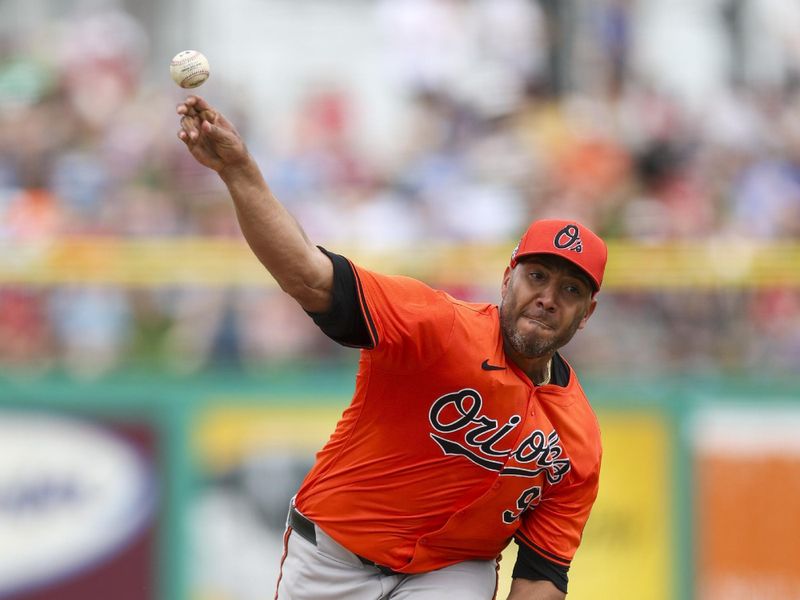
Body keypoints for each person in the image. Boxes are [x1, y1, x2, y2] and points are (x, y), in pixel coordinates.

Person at [176, 95, 607, 600]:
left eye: (571, 290)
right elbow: (311, 279)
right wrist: (240, 171)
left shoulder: (577, 439)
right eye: (537, 276)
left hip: (451, 572)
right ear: (508, 277)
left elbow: (542, 573)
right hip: (334, 555)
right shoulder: (436, 326)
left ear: (586, 314)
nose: (549, 298)